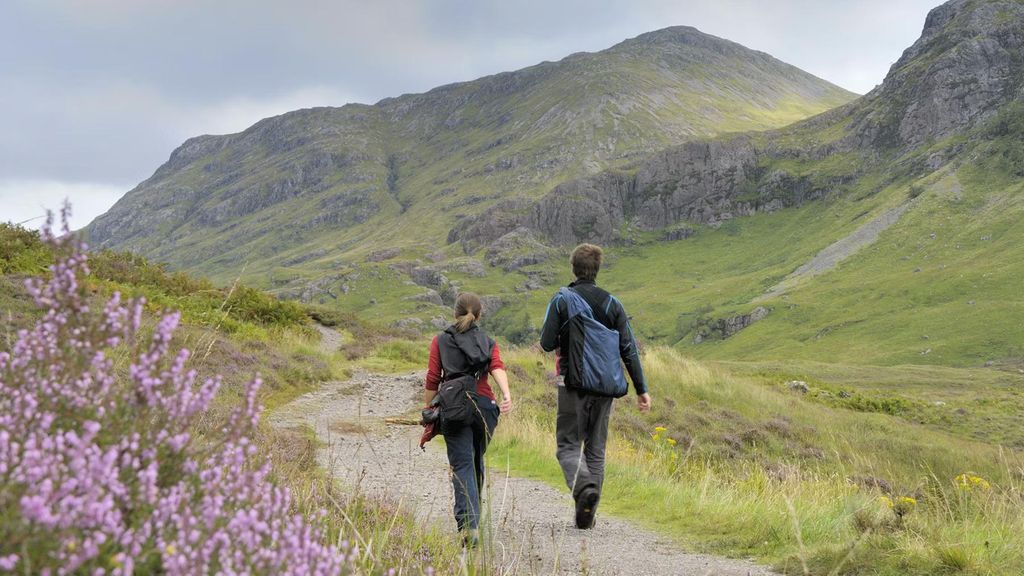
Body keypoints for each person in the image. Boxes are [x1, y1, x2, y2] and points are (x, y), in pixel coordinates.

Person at [540, 243, 651, 529]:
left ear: (574, 268)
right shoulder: (613, 304)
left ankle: (583, 487)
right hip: (605, 386)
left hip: (571, 385)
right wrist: (642, 389)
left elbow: (546, 343)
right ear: (597, 270)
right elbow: (629, 349)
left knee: (567, 447)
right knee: (596, 451)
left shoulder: (562, 300)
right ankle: (588, 514)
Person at [424, 292, 512, 545]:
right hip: (485, 407)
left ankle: (469, 527)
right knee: (475, 460)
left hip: (454, 408)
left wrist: (429, 408)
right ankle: (474, 518)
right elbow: (497, 367)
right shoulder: (487, 340)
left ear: (455, 313)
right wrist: (506, 394)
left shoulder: (440, 340)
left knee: (462, 464)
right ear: (479, 314)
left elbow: (432, 378)